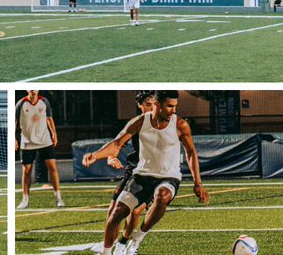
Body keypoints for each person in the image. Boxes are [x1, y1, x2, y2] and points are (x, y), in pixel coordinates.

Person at [82, 91, 209, 255]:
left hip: (168, 177)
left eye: (175, 106)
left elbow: (191, 152)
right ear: (157, 104)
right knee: (115, 214)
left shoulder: (180, 125)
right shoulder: (140, 122)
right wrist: (95, 155)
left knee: (162, 195)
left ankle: (137, 239)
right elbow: (117, 144)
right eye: (169, 106)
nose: (173, 110)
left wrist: (198, 183)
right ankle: (106, 252)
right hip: (141, 176)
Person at [103, 91, 157, 254]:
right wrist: (111, 157)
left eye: (154, 104)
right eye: (148, 104)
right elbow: (118, 143)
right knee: (113, 210)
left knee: (135, 210)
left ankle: (124, 244)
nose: (152, 108)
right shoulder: (136, 123)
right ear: (139, 106)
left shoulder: (164, 124)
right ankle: (108, 244)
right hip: (132, 171)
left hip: (150, 173)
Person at [16, 90, 64, 208]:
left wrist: (54, 134)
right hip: (27, 141)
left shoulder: (44, 102)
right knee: (26, 171)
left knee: (52, 167)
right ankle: (25, 200)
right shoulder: (21, 103)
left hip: (44, 140)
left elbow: (49, 118)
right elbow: (14, 122)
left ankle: (58, 198)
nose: (33, 89)